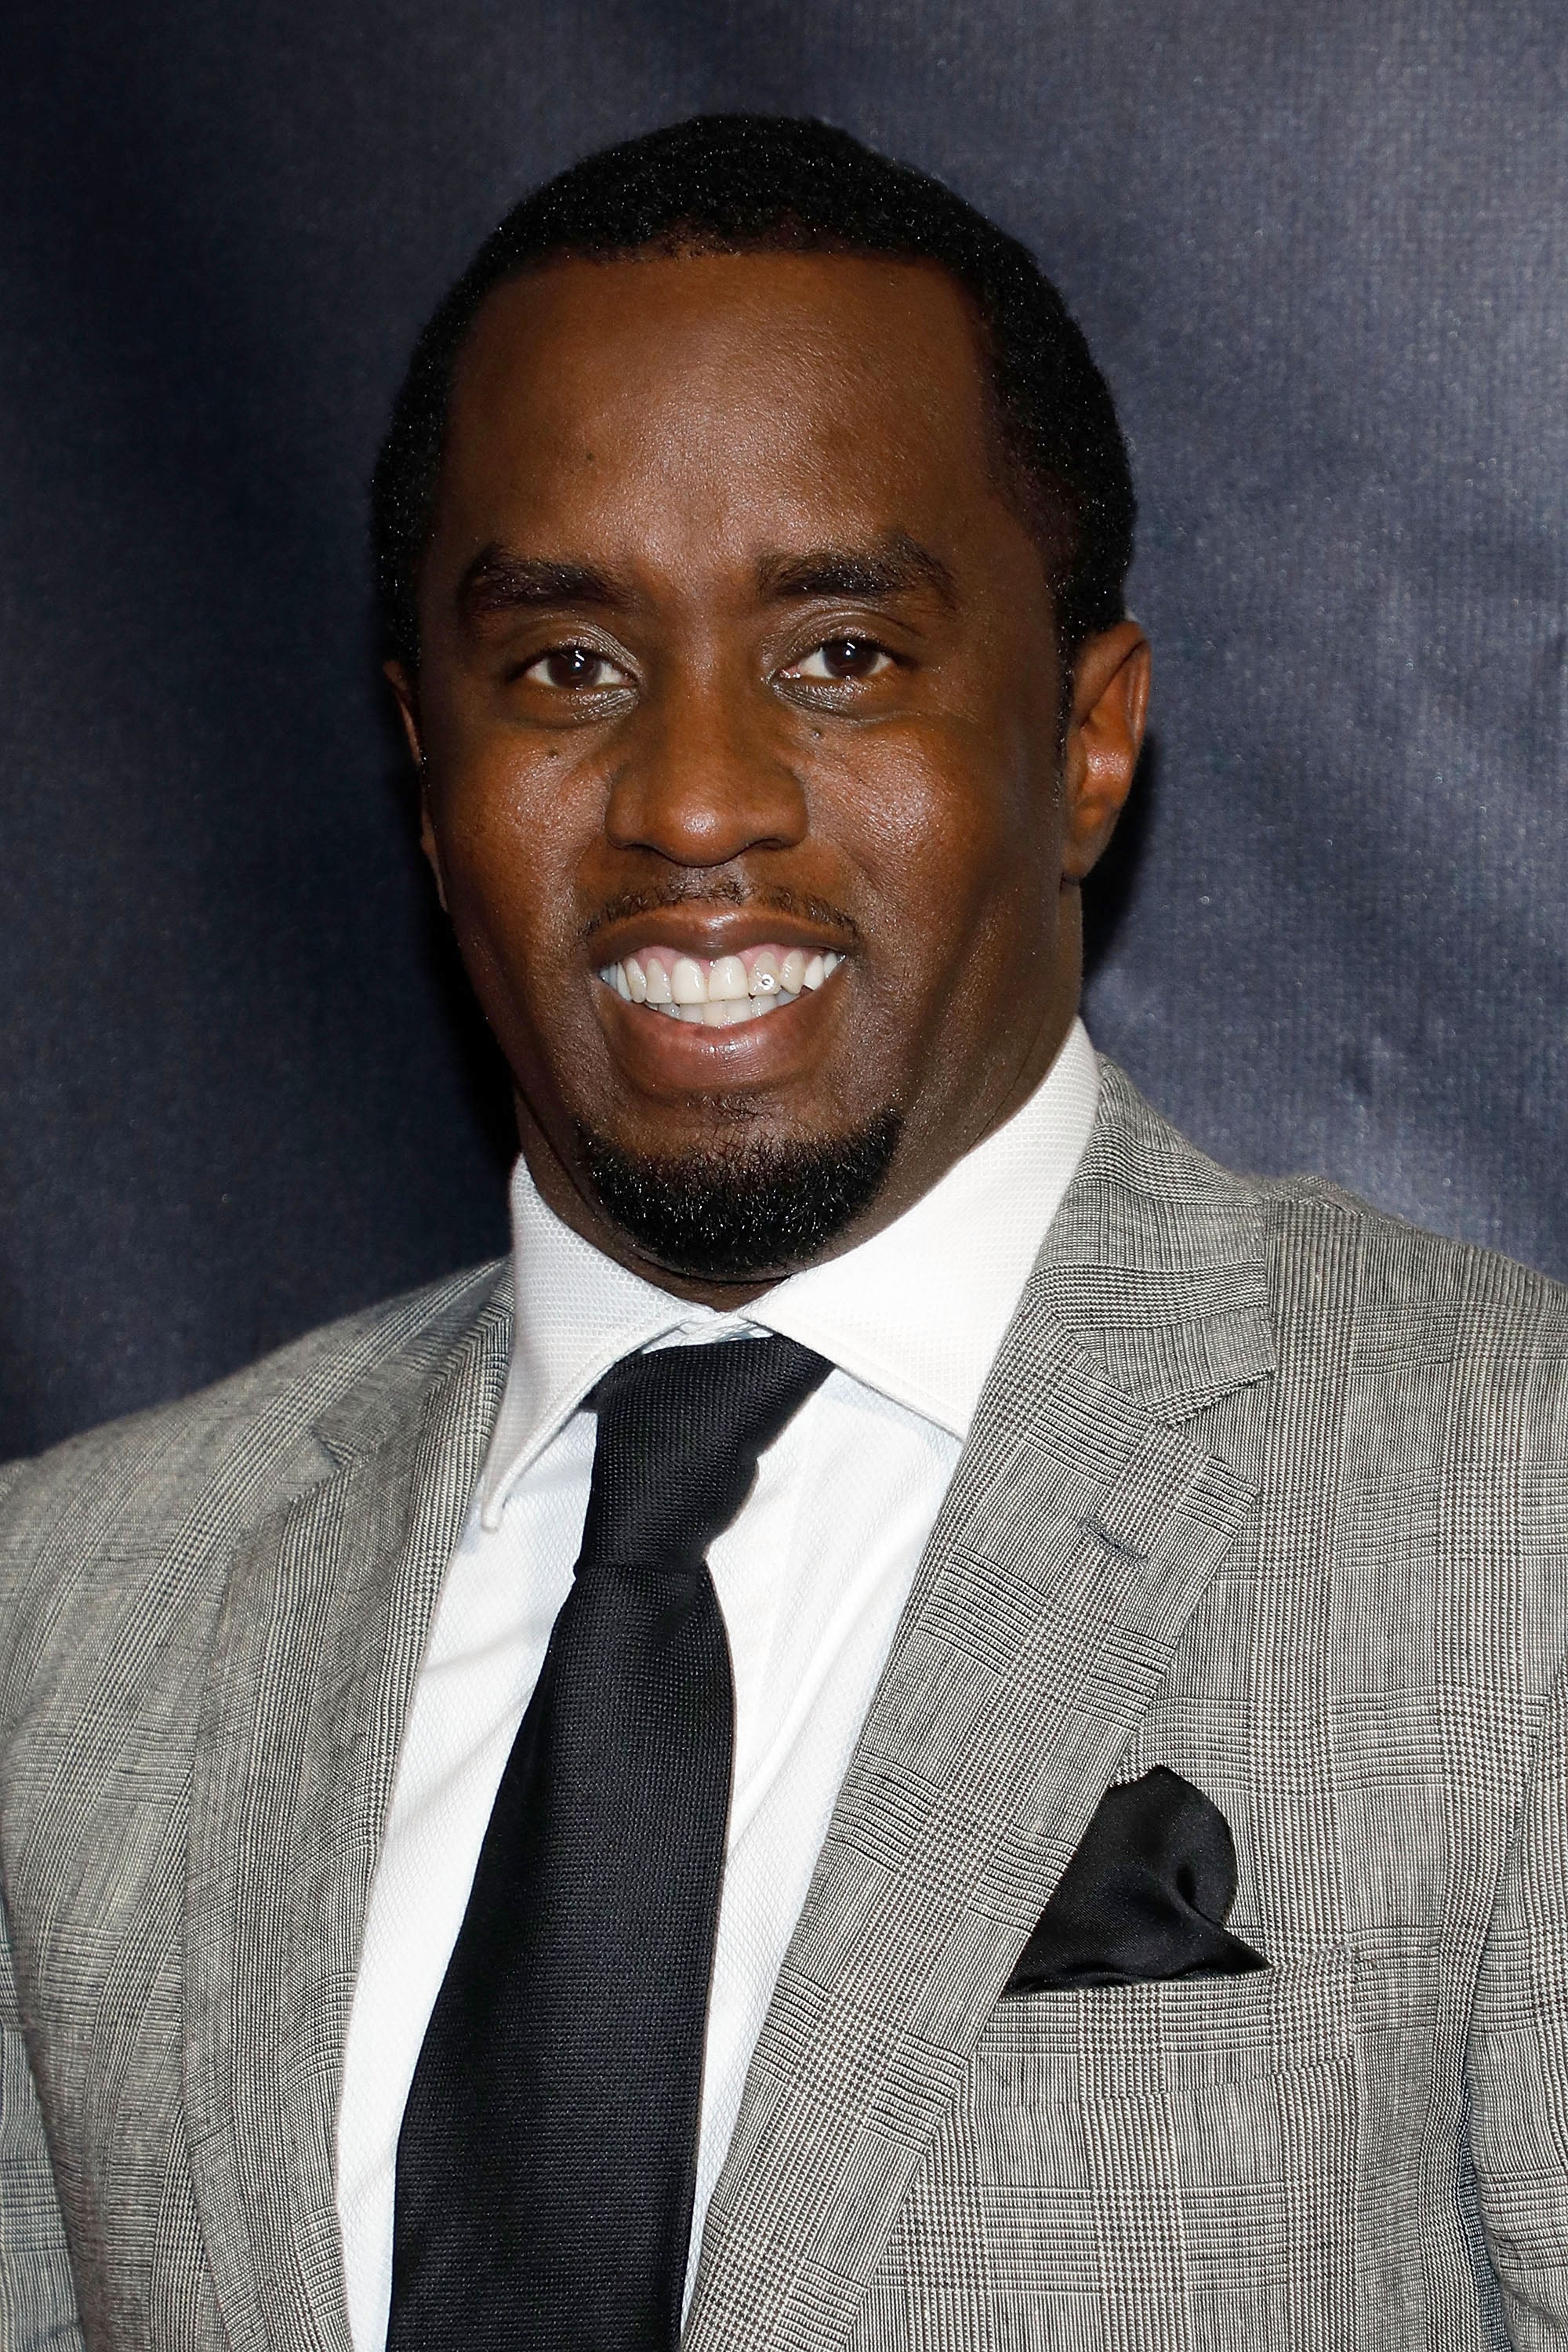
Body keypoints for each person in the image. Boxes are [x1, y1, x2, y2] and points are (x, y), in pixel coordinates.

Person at [2, 110, 1565, 2352]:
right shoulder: (65, 1629)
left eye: (841, 652)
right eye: (568, 666)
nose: (696, 800)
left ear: (1089, 738)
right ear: (426, 770)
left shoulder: (1519, 1518)